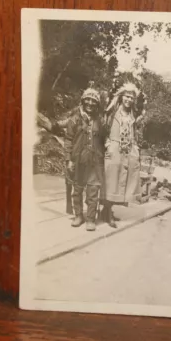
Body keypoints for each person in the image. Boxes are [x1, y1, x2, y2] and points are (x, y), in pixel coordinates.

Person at [102, 82, 146, 227]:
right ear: (121, 97)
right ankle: (107, 213)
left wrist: (135, 149)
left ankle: (107, 210)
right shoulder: (113, 110)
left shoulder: (132, 114)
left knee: (122, 181)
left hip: (127, 151)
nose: (128, 100)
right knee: (111, 180)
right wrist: (107, 143)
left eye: (131, 98)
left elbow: (136, 128)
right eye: (126, 96)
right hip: (114, 148)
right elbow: (103, 127)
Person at [64, 87, 105, 231]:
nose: (90, 103)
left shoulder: (100, 121)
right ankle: (78, 216)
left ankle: (90, 219)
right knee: (77, 189)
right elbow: (68, 140)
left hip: (95, 162)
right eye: (87, 99)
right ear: (83, 100)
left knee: (93, 190)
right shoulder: (75, 119)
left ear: (97, 104)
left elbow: (105, 139)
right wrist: (69, 159)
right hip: (78, 161)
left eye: (93, 101)